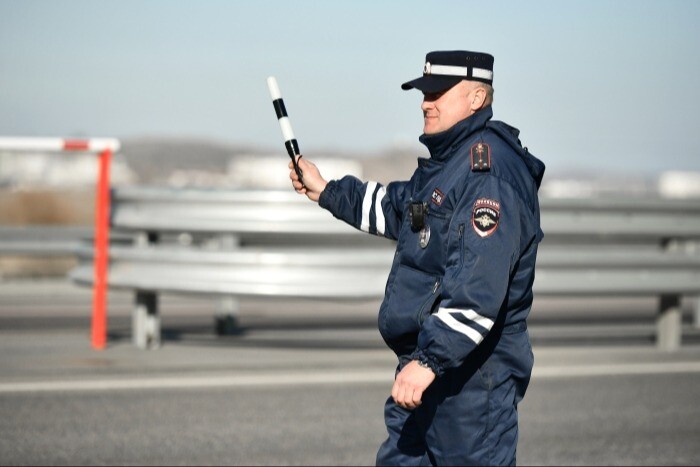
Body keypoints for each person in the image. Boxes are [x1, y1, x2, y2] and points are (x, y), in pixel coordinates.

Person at [289, 50, 545, 466]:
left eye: (439, 92)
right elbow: (402, 210)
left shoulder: (489, 173)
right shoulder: (451, 164)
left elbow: (478, 287)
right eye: (424, 92)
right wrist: (327, 191)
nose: (427, 102)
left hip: (471, 380)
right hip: (429, 366)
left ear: (477, 99)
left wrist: (430, 360)